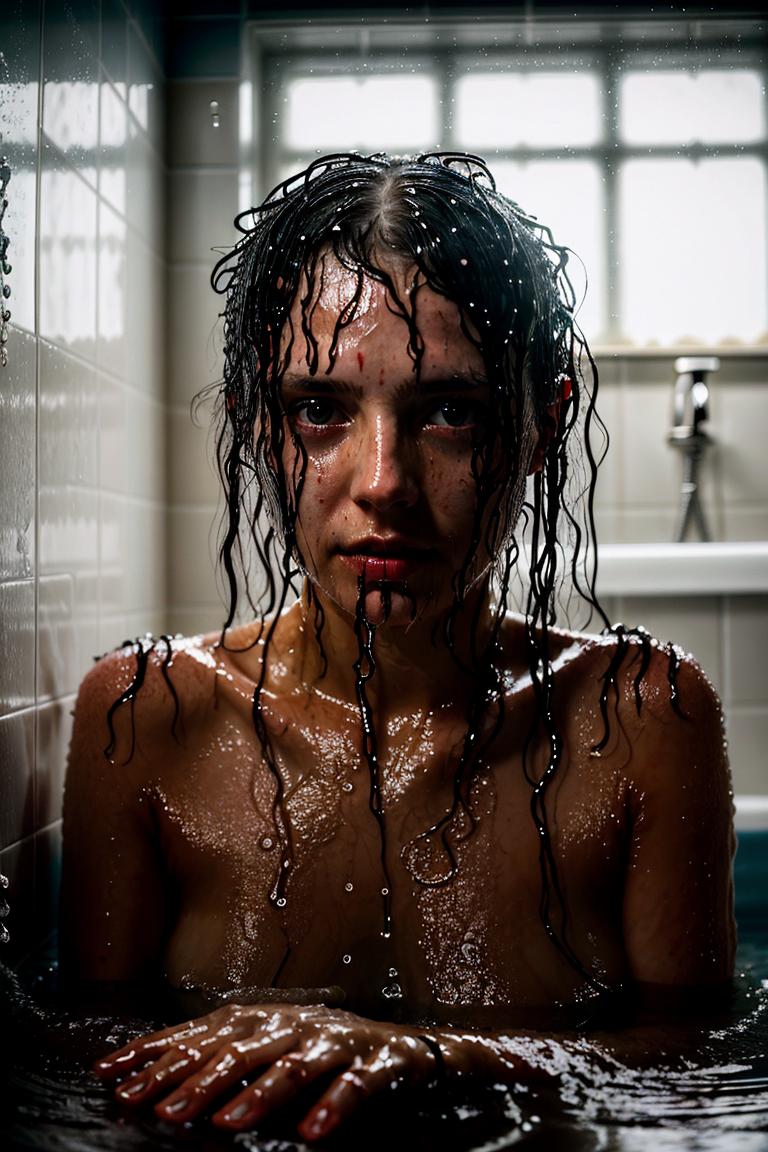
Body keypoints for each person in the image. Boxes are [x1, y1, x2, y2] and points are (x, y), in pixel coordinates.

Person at [61, 152, 735, 1143]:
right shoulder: (146, 716)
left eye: (450, 413)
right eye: (320, 411)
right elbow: (85, 1065)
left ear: (541, 426)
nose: (383, 482)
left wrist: (444, 1054)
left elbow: (696, 1063)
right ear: (258, 422)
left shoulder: (642, 720)